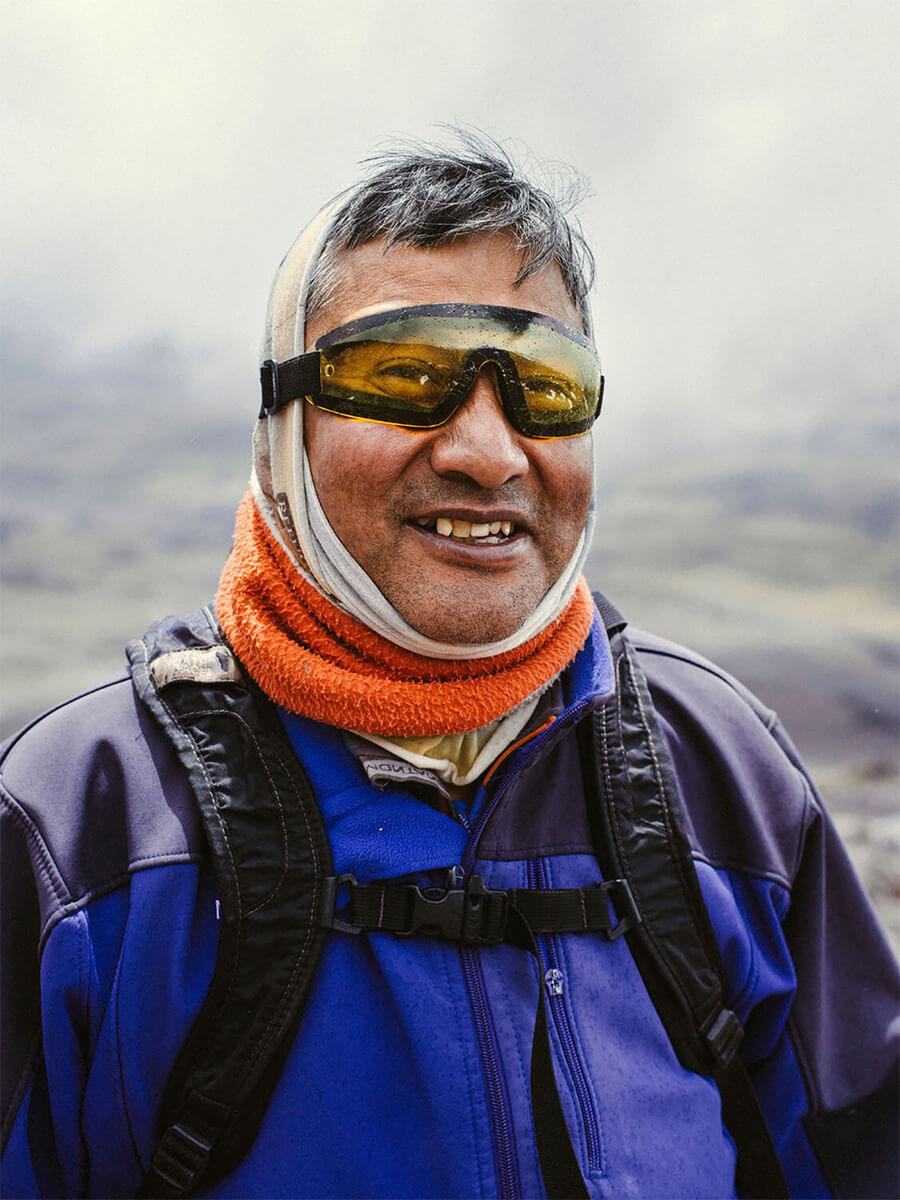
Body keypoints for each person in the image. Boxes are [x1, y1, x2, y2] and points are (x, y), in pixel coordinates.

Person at [1, 135, 896, 1200]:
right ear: (281, 424)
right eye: (405, 375)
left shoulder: (718, 767)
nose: (489, 450)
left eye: (545, 386)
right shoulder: (83, 820)